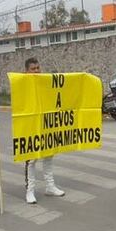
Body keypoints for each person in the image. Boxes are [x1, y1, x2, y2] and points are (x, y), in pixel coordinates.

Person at [23, 57, 66, 204]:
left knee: (49, 155)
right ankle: (30, 191)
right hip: (30, 126)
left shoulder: (46, 82)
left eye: (38, 68)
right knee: (31, 159)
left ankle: (50, 186)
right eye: (33, 69)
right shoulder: (21, 84)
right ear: (26, 71)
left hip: (46, 125)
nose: (36, 71)